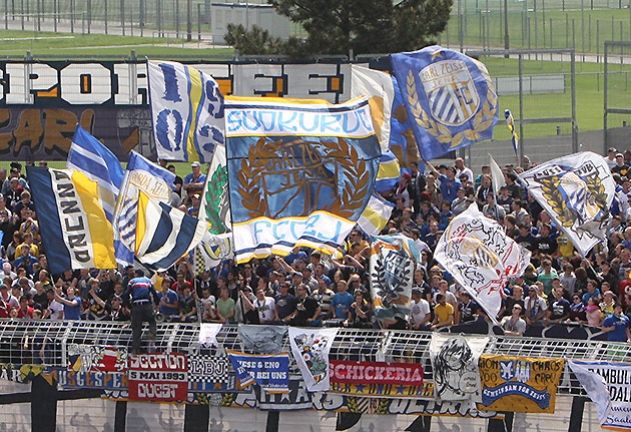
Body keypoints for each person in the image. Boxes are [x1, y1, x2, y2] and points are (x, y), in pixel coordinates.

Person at [125, 269, 158, 354]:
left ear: (136, 274)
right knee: (152, 321)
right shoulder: (148, 281)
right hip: (147, 305)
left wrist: (127, 305)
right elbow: (154, 293)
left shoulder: (132, 281)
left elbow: (126, 293)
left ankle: (135, 349)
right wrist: (157, 304)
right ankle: (151, 336)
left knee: (136, 328)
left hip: (136, 306)